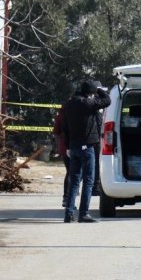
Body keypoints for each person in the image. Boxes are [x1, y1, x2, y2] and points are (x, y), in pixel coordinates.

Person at [62, 80, 111, 223]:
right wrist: (100, 90)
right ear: (91, 93)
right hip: (87, 147)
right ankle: (84, 213)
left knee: (75, 182)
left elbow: (65, 127)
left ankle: (69, 214)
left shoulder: (70, 104)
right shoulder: (87, 104)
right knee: (88, 181)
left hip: (74, 147)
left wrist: (68, 146)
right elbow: (107, 100)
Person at [52, 104, 70, 208]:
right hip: (74, 146)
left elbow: (56, 132)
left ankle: (66, 198)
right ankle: (68, 197)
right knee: (73, 173)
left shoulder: (61, 115)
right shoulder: (76, 113)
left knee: (70, 172)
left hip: (64, 147)